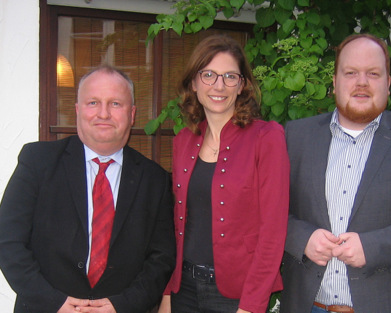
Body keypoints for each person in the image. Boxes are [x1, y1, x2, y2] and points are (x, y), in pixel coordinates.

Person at [280, 33, 391, 313]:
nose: (361, 82)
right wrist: (301, 237)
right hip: (306, 304)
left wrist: (372, 247)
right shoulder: (296, 136)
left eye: (373, 73)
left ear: (388, 83)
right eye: (351, 73)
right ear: (335, 82)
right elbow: (269, 210)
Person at [0, 65, 176, 313]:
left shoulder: (154, 179)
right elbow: (8, 242)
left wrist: (123, 304)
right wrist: (54, 303)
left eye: (116, 104)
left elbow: (162, 257)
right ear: (77, 110)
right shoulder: (38, 161)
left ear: (132, 113)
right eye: (93, 102)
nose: (103, 113)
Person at [157, 35, 290, 313]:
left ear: (242, 85)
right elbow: (178, 225)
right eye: (208, 75)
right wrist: (169, 292)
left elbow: (272, 234)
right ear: (194, 82)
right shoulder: (184, 140)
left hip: (236, 296)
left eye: (230, 76)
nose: (219, 86)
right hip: (185, 290)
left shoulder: (266, 138)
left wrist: (252, 306)